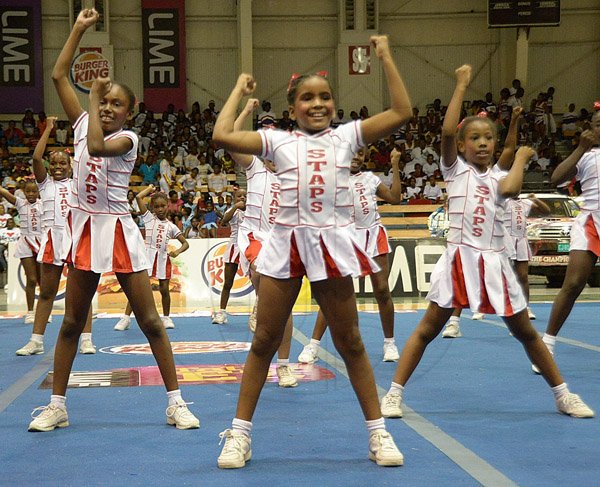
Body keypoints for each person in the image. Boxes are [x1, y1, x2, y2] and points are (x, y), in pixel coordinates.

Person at [213, 34, 412, 469]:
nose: (317, 103)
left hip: (332, 246)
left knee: (352, 343)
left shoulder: (347, 137)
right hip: (284, 247)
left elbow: (402, 111)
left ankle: (378, 433)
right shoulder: (276, 141)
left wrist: (385, 56)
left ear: (335, 105)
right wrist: (239, 92)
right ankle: (239, 435)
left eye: (324, 96)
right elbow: (221, 133)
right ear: (292, 109)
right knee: (264, 339)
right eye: (307, 98)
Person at [379, 65, 594, 422]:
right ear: (462, 146)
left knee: (525, 330)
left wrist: (520, 160)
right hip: (459, 260)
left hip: (494, 263)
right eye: (474, 138)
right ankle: (394, 393)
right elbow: (448, 129)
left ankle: (563, 395)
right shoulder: (455, 170)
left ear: (495, 145)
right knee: (427, 329)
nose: (482, 143)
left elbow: (510, 188)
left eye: (487, 138)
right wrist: (461, 84)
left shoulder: (501, 176)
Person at [28, 8, 199, 432]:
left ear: (130, 111)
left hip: (118, 229)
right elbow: (57, 76)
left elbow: (98, 149)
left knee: (150, 321)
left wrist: (91, 97)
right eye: (104, 101)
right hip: (84, 230)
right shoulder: (87, 118)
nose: (106, 107)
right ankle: (57, 405)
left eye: (115, 103)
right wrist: (79, 28)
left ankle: (176, 402)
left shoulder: (129, 139)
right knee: (71, 322)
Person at [298, 146, 403, 364]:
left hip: (373, 235)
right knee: (335, 295)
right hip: (345, 237)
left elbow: (395, 198)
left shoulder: (370, 178)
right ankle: (313, 345)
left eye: (361, 153)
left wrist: (394, 164)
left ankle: (390, 343)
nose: (356, 157)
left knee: (382, 290)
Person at [227, 98, 298, 388]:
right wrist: (245, 110)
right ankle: (259, 301)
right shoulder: (255, 168)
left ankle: (283, 366)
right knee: (258, 269)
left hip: (281, 240)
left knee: (285, 306)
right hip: (255, 235)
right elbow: (230, 138)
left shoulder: (294, 176)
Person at [16, 117, 96, 356]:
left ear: (71, 166)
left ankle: (86, 339)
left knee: (82, 294)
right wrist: (48, 129)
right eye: (55, 163)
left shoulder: (78, 183)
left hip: (75, 240)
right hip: (51, 240)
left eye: (63, 163)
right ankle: (36, 341)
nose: (58, 166)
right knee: (47, 293)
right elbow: (36, 158)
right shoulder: (44, 184)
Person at [532, 109, 600, 373]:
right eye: (596, 124)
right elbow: (556, 178)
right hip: (591, 221)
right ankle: (547, 343)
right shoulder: (584, 156)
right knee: (572, 285)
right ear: (589, 129)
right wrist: (581, 148)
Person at [114, 185, 189, 331]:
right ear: (152, 208)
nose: (160, 209)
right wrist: (149, 188)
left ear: (168, 206)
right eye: (157, 207)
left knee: (164, 289)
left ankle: (166, 317)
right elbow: (138, 197)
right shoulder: (148, 218)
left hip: (162, 259)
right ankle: (126, 318)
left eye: (163, 206)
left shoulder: (171, 226)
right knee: (137, 289)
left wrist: (177, 252)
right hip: (146, 258)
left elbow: (185, 243)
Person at [0, 180, 42, 324]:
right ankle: (30, 312)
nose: (31, 194)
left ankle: (44, 311)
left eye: (34, 191)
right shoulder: (20, 203)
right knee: (31, 279)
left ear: (38, 192)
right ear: (24, 192)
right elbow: (4, 192)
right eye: (28, 191)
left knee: (43, 280)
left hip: (41, 243)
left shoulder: (44, 204)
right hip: (25, 243)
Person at [212, 188, 246, 325]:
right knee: (228, 282)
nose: (242, 198)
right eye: (239, 196)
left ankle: (259, 313)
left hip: (250, 247)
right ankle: (222, 312)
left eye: (245, 196)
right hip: (234, 247)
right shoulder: (232, 211)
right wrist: (235, 207)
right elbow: (224, 221)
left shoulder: (253, 211)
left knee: (258, 282)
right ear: (234, 198)